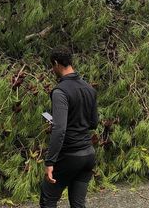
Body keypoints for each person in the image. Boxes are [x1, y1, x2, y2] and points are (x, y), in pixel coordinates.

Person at [40, 46, 98, 208]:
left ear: (57, 63)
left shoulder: (60, 92)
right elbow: (93, 123)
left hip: (69, 155)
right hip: (88, 155)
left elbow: (60, 130)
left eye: (52, 66)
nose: (53, 70)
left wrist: (50, 162)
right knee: (78, 204)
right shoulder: (89, 89)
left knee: (48, 200)